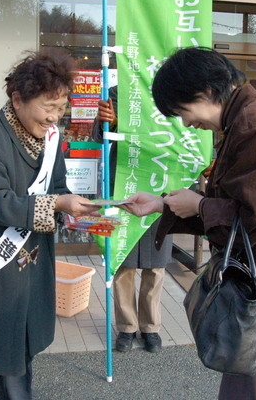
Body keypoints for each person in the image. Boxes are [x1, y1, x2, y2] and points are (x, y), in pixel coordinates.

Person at [118, 47, 256, 400]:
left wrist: (199, 204)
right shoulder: (243, 121)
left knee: (253, 391)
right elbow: (237, 207)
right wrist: (162, 204)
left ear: (208, 91)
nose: (185, 123)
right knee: (246, 388)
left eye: (183, 111)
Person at [0, 48, 100, 400]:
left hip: (30, 259)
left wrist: (78, 208)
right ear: (17, 99)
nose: (54, 119)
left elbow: (58, 188)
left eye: (61, 109)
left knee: (20, 346)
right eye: (48, 107)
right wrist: (58, 204)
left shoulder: (51, 140)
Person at [92, 86, 172, 353]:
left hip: (161, 184)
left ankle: (151, 327)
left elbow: (183, 134)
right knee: (123, 263)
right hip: (124, 185)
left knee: (155, 266)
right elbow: (98, 136)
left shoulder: (171, 92)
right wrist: (110, 121)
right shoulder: (116, 92)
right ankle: (127, 327)